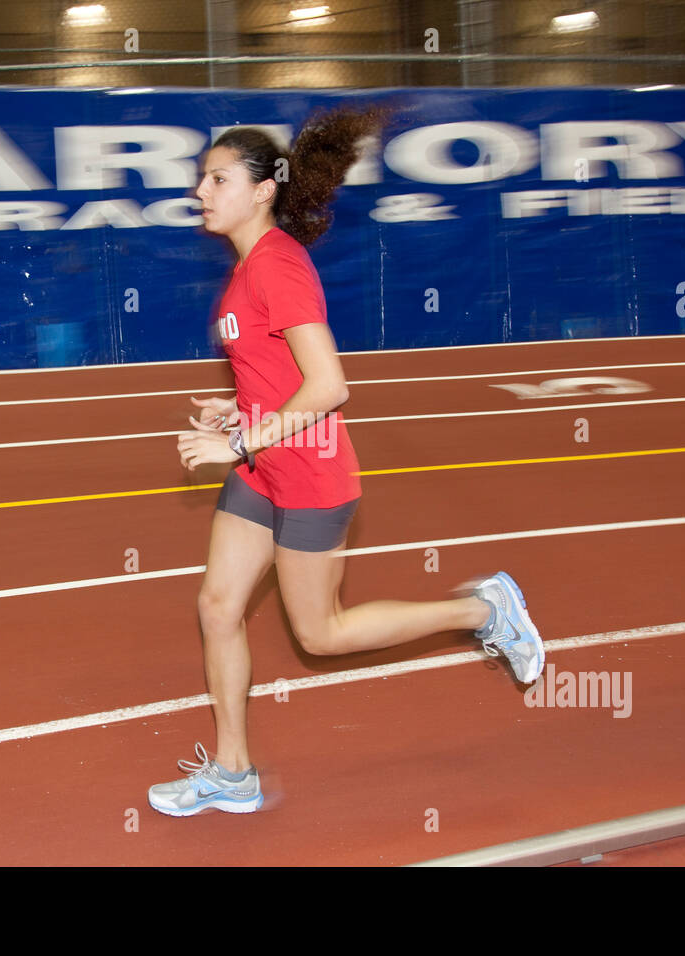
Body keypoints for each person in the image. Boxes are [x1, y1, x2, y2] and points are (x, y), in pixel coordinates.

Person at [148, 109, 544, 817]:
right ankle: (234, 771)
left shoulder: (277, 265)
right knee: (217, 605)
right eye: (201, 179)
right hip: (264, 466)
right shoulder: (246, 272)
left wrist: (239, 442)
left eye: (216, 178)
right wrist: (237, 415)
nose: (200, 191)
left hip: (308, 473)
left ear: (263, 190)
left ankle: (485, 611)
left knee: (320, 634)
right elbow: (279, 381)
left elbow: (330, 385)